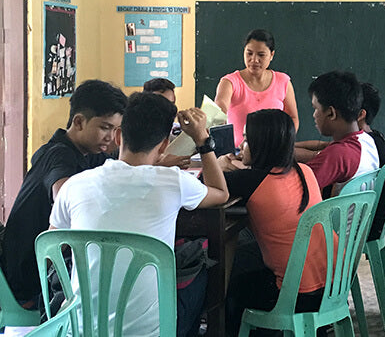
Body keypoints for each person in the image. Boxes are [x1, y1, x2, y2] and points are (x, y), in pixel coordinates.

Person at [49, 92, 229, 336]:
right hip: (150, 331)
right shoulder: (173, 182)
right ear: (165, 145)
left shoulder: (75, 184)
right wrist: (203, 140)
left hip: (80, 328)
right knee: (197, 270)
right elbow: (221, 192)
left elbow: (52, 252)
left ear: (119, 135)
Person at [0, 80, 126, 311]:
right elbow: (64, 195)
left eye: (116, 130)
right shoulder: (60, 156)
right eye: (105, 127)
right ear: (79, 121)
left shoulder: (84, 152)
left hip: (34, 269)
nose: (111, 137)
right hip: (31, 282)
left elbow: (118, 163)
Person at [220, 109, 330, 337]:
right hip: (330, 286)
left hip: (294, 295)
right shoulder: (304, 171)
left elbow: (206, 180)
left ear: (262, 145)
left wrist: (220, 164)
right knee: (246, 257)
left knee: (231, 287)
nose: (241, 145)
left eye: (247, 139)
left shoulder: (251, 181)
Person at [299, 70, 379, 198]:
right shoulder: (366, 140)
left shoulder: (339, 154)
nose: (314, 115)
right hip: (358, 217)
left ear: (331, 113)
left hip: (336, 218)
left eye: (315, 108)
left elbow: (295, 190)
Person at [214, 29, 299, 146]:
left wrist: (283, 143)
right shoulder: (230, 82)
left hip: (273, 152)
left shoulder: (283, 81)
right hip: (238, 156)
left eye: (261, 55)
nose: (254, 60)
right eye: (249, 53)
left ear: (271, 55)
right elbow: (220, 108)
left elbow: (293, 118)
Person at [296, 82, 385, 166]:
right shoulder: (374, 138)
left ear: (360, 114)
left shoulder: (358, 145)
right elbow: (324, 145)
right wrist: (292, 145)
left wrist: (285, 151)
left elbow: (320, 156)